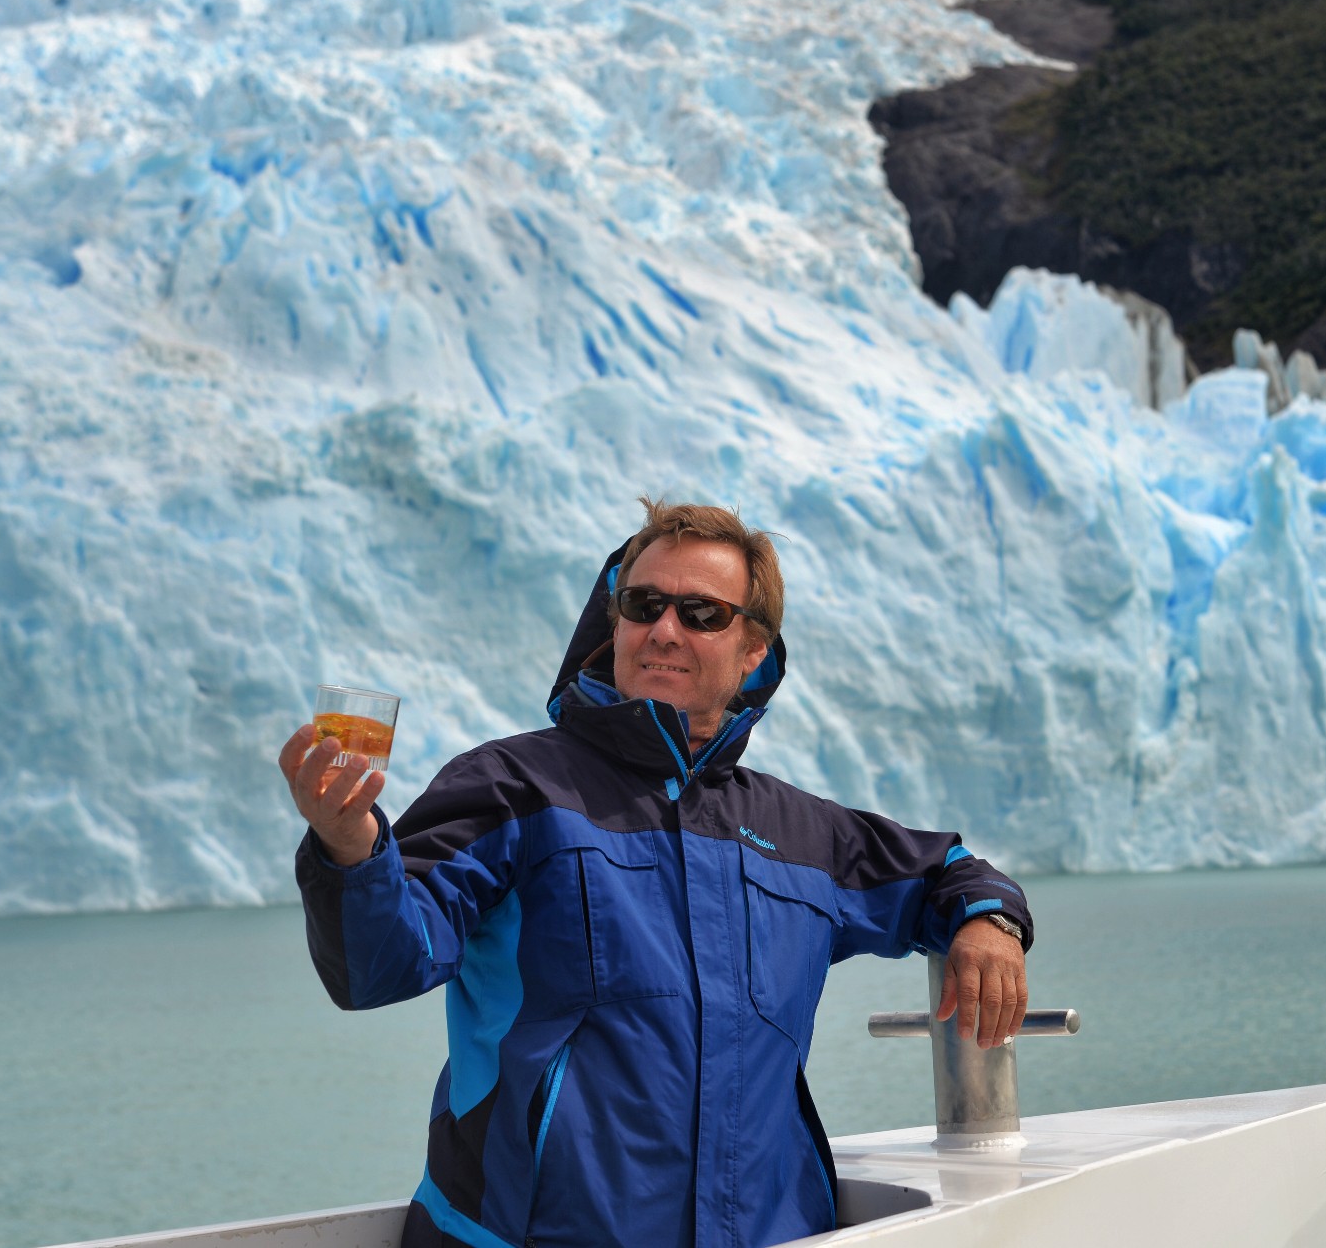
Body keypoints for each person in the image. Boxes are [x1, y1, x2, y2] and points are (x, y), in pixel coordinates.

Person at [279, 500, 1033, 1248]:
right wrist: (350, 847)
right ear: (615, 623)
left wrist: (988, 920)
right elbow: (379, 964)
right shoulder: (513, 788)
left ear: (753, 651)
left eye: (702, 612)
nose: (665, 630)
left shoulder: (801, 833)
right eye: (643, 604)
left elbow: (946, 869)